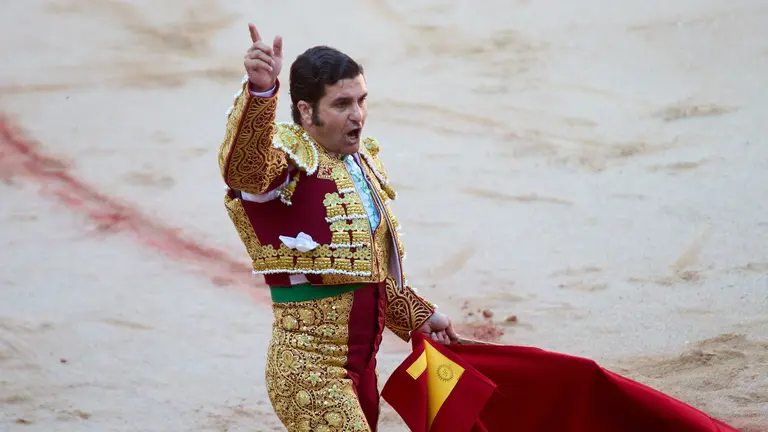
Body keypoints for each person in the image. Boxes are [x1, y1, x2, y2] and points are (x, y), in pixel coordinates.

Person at [216, 23, 459, 432]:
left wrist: (415, 315)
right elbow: (244, 168)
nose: (358, 115)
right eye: (342, 103)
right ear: (307, 110)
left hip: (360, 370)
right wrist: (260, 93)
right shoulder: (287, 161)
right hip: (309, 374)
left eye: (361, 100)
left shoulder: (357, 166)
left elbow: (366, 272)